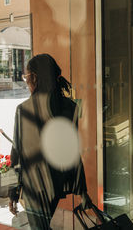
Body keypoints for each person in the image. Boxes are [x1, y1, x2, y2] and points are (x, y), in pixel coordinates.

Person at [8, 54, 88, 229]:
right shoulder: (71, 107)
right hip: (56, 183)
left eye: (26, 77)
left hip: (33, 188)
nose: (26, 82)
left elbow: (16, 152)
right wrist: (83, 190)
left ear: (34, 78)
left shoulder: (23, 110)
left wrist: (12, 191)